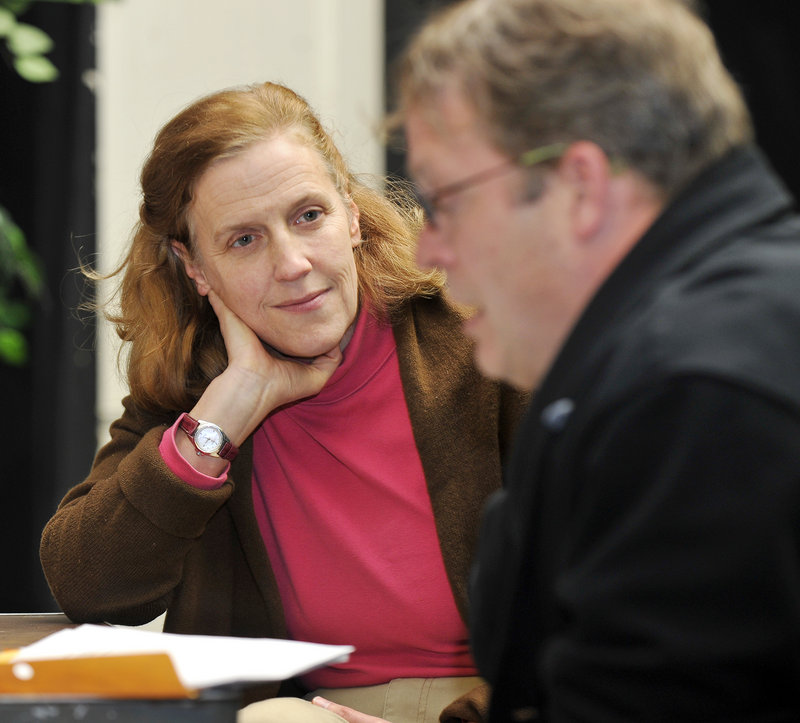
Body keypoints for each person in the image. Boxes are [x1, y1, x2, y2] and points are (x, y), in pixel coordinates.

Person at [39, 81, 527, 723]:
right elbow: (90, 585)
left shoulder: (483, 340)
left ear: (351, 214)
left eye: (308, 216)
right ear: (196, 268)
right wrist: (224, 417)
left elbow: (602, 593)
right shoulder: (196, 386)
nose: (292, 263)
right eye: (244, 240)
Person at [392, 0, 800, 720]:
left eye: (445, 199)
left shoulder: (688, 399)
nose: (429, 250)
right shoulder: (728, 321)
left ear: (579, 187)